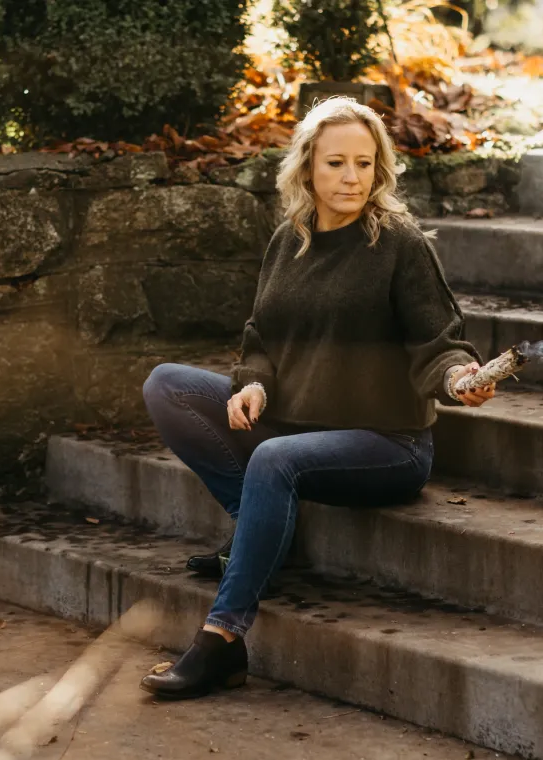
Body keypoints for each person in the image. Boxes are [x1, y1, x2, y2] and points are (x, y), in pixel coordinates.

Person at [138, 97, 497, 700]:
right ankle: (262, 528)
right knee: (166, 385)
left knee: (272, 460)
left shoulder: (400, 245)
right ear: (308, 169)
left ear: (379, 168)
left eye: (364, 162)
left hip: (386, 443)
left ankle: (222, 641)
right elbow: (261, 340)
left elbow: (439, 345)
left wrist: (461, 380)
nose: (351, 177)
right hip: (292, 426)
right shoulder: (289, 241)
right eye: (336, 163)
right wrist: (253, 381)